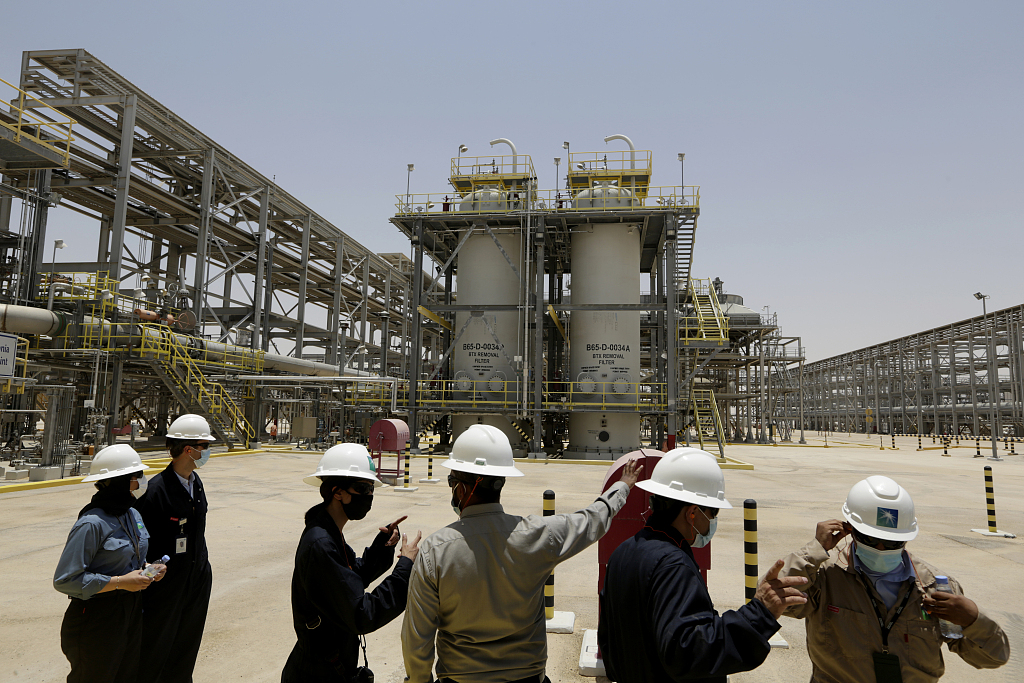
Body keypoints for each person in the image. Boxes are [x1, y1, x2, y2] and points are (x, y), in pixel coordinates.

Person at [402, 424, 642, 683]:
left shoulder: (434, 551)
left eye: (452, 482)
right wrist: (622, 487)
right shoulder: (538, 534)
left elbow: (417, 638)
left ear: (462, 488)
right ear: (501, 482)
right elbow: (592, 520)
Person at [598, 447, 808, 683]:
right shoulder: (674, 566)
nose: (714, 520)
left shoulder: (623, 551)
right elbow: (687, 652)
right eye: (713, 512)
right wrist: (759, 614)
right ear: (693, 514)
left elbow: (609, 642)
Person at [778, 475, 1010, 682]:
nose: (880, 548)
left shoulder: (934, 587)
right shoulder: (825, 576)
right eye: (871, 538)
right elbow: (776, 602)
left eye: (891, 542)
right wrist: (814, 550)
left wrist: (974, 621)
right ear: (850, 529)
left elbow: (992, 658)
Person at [283, 442, 420, 682]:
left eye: (370, 489)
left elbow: (349, 577)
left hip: (327, 665)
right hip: (317, 673)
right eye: (362, 488)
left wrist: (382, 547)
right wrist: (405, 567)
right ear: (337, 492)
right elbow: (362, 614)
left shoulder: (328, 531)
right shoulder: (321, 544)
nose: (369, 496)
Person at [53, 444, 167, 682]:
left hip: (130, 610)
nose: (142, 482)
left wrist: (149, 569)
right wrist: (119, 582)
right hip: (97, 617)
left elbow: (130, 557)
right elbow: (66, 580)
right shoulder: (92, 523)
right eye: (137, 477)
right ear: (120, 482)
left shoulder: (131, 514)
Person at [134, 414, 215, 683]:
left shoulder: (196, 484)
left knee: (186, 645)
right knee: (156, 647)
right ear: (189, 450)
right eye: (204, 446)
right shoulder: (156, 490)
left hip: (195, 578)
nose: (207, 453)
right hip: (165, 585)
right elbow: (139, 540)